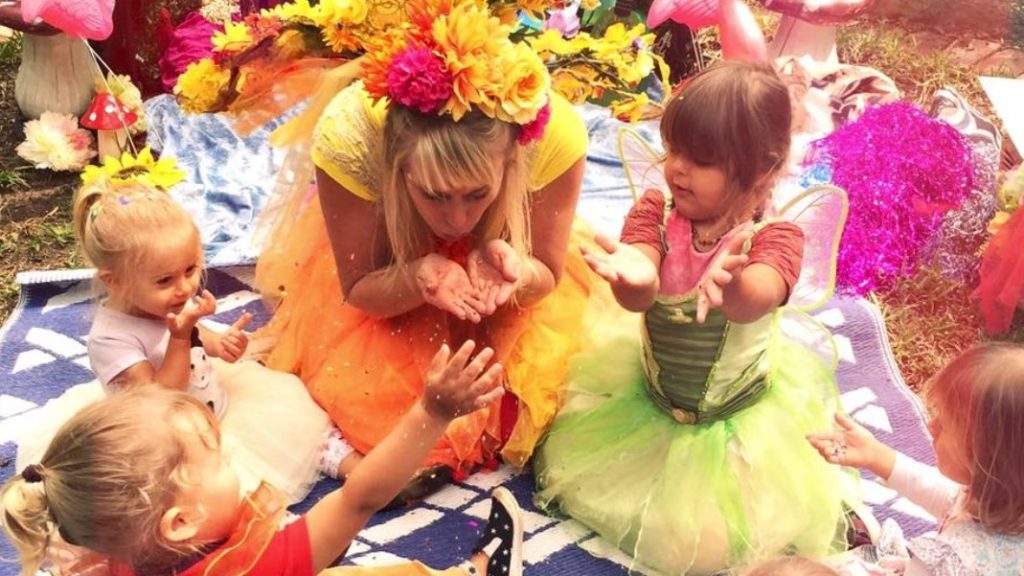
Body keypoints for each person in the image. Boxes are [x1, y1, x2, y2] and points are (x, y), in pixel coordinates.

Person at [533, 60, 860, 575]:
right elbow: (640, 272)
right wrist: (636, 279)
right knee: (582, 477)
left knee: (702, 547)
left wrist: (733, 288)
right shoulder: (655, 212)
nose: (677, 168)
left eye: (700, 159)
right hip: (655, 397)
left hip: (730, 419)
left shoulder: (774, 237)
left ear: (763, 168)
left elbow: (761, 292)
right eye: (672, 150)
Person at [252, 0, 592, 485]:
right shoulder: (351, 138)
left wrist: (517, 266)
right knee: (389, 423)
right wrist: (417, 277)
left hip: (498, 264)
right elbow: (360, 287)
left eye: (477, 195)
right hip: (396, 265)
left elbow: (548, 275)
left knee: (567, 403)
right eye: (434, 196)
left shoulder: (554, 136)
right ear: (398, 168)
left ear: (510, 165)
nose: (456, 220)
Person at [0, 341, 525, 576]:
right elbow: (361, 495)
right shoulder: (256, 565)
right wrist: (433, 411)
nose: (234, 455)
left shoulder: (102, 553)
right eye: (220, 458)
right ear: (181, 523)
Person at [15, 180, 338, 503]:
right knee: (199, 494)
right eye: (165, 279)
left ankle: (351, 467)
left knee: (289, 423)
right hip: (168, 441)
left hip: (214, 406)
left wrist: (221, 343)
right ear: (114, 281)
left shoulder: (164, 299)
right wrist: (180, 338)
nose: (185, 288)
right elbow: (160, 399)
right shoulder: (109, 340)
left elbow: (199, 337)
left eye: (191, 269)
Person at [808, 342, 1024, 575]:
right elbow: (949, 498)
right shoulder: (1004, 502)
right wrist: (877, 456)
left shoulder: (948, 562)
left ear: (986, 456)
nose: (931, 426)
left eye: (944, 424)